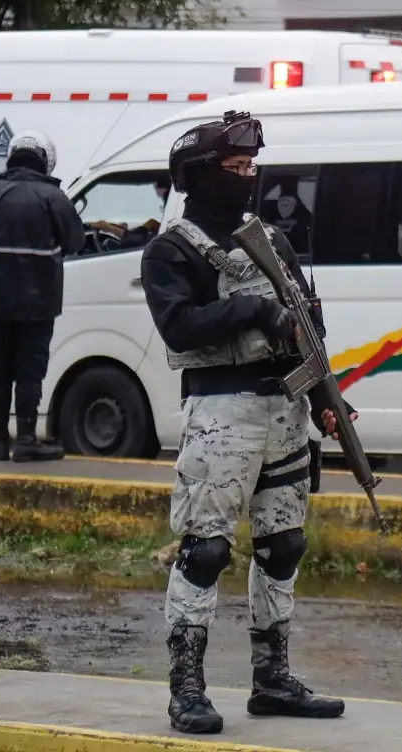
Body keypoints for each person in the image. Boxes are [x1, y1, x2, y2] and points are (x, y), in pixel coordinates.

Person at [141, 110, 351, 734]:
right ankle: (187, 689)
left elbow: (304, 331)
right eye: (234, 169)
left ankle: (273, 678)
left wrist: (323, 401)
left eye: (251, 166)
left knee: (283, 545)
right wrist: (253, 309)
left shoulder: (273, 241)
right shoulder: (171, 249)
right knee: (205, 550)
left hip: (285, 410)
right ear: (199, 177)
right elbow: (180, 327)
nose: (247, 177)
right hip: (222, 412)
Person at [0, 130, 85, 462]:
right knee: (29, 372)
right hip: (38, 302)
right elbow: (75, 242)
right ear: (45, 161)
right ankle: (27, 439)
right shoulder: (54, 198)